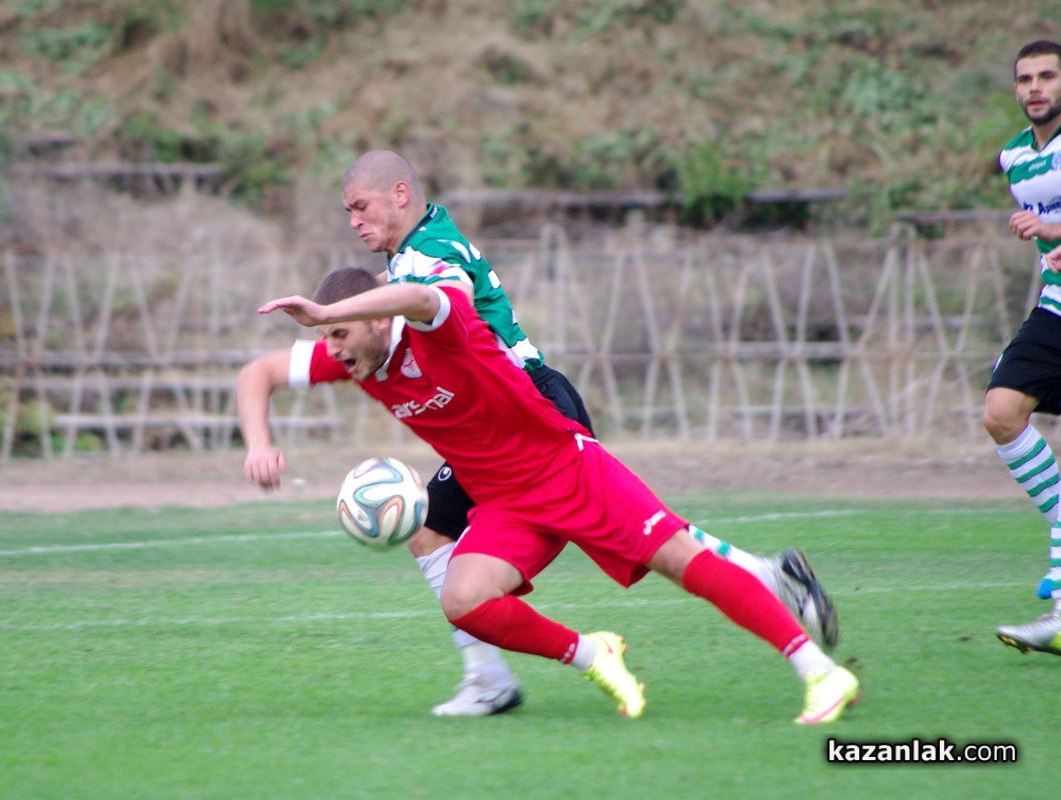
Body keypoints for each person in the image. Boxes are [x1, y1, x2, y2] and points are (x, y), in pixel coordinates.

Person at [333, 150, 836, 716]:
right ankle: (488, 679)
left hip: (527, 409)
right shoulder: (411, 252)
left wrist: (343, 309)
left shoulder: (430, 251)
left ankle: (769, 581)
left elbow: (443, 298)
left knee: (650, 537)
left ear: (400, 194)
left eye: (360, 206)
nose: (353, 220)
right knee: (432, 531)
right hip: (496, 423)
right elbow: (398, 295)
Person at [238, 267, 860, 723]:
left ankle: (820, 672)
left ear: (379, 320)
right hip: (506, 505)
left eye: (339, 333)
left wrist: (329, 312)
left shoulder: (438, 332)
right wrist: (259, 443)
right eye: (327, 338)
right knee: (463, 599)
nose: (331, 349)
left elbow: (426, 297)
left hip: (569, 470)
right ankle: (592, 654)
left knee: (681, 562)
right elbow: (256, 374)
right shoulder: (355, 356)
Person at [987, 40, 1061, 657]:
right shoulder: (1013, 157)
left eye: (1047, 76)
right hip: (1055, 307)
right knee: (1002, 410)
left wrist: (1053, 230)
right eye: (1025, 78)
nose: (1035, 87)